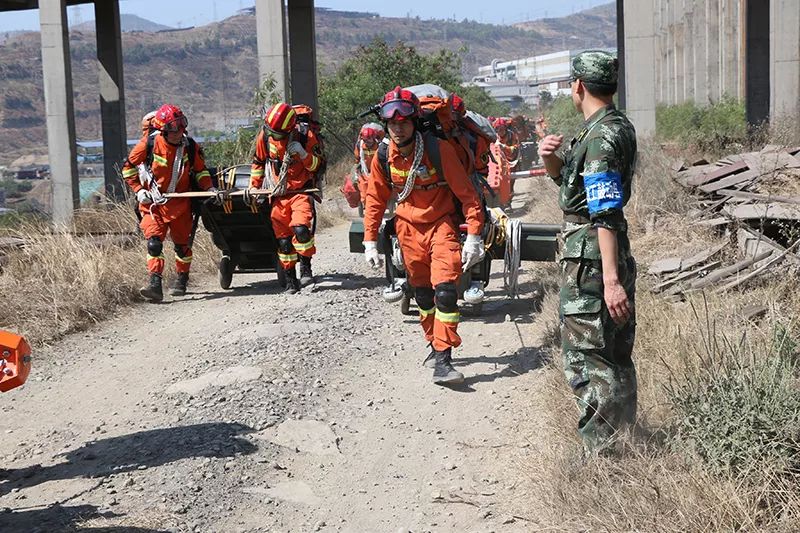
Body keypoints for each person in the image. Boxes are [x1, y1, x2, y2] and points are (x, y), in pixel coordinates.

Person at [537, 50, 638, 454]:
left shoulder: (599, 137)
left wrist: (611, 281)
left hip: (592, 261)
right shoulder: (611, 126)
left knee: (588, 358)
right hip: (602, 254)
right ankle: (626, 438)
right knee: (614, 353)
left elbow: (604, 211)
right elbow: (580, 190)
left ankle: (600, 454)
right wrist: (551, 161)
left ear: (578, 86)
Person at [362, 86, 485, 386]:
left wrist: (474, 236)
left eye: (403, 122)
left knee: (445, 290)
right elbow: (375, 199)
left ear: (414, 121)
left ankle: (444, 358)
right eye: (392, 123)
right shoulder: (382, 155)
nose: (398, 128)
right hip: (406, 230)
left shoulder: (437, 150)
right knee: (423, 295)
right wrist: (369, 241)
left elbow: (468, 196)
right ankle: (433, 343)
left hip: (441, 226)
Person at [122, 104, 221, 302]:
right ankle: (155, 283)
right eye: (173, 129)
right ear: (163, 130)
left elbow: (201, 171)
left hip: (181, 204)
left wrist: (208, 187)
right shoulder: (148, 145)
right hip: (153, 203)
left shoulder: (190, 146)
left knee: (182, 247)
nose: (179, 133)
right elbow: (128, 169)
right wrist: (139, 191)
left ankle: (182, 279)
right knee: (154, 244)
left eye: (181, 126)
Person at [249, 102, 324, 294]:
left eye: (278, 134)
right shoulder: (266, 136)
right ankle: (291, 281)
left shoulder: (305, 136)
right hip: (278, 194)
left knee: (301, 230)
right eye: (271, 132)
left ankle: (306, 268)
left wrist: (303, 154)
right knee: (283, 242)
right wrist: (254, 187)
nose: (274, 137)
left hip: (300, 192)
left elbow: (317, 166)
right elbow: (258, 162)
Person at [353, 122, 385, 207]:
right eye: (365, 140)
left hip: (378, 172)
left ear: (374, 138)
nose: (368, 142)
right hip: (365, 172)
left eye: (369, 140)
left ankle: (378, 205)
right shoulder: (360, 145)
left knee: (378, 190)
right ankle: (367, 207)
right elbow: (357, 159)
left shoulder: (381, 145)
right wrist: (356, 172)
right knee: (363, 189)